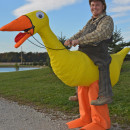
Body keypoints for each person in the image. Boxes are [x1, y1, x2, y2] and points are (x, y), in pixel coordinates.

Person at [64, 0, 114, 106]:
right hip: (84, 50)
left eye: (97, 5)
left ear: (103, 6)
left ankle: (105, 95)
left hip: (98, 51)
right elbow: (81, 32)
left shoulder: (107, 19)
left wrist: (79, 41)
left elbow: (99, 34)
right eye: (92, 5)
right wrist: (70, 39)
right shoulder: (90, 21)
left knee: (103, 64)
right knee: (76, 65)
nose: (94, 7)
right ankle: (78, 93)